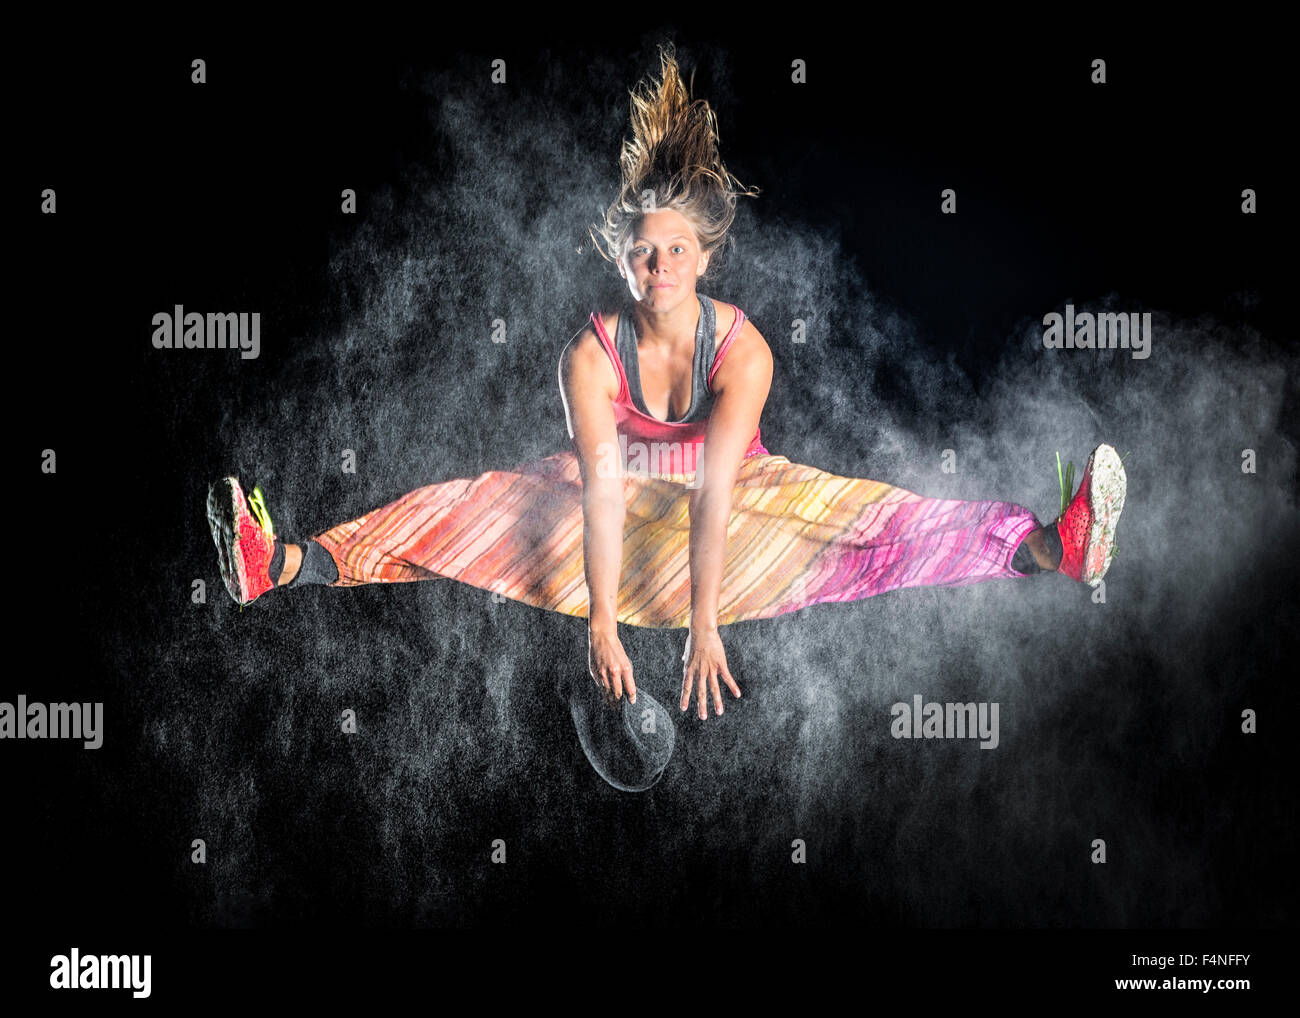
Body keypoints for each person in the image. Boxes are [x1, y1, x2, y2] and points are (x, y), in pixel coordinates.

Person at [207, 45, 1126, 724]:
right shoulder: (589, 355)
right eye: (642, 251)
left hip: (729, 529)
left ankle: (1052, 547)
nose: (659, 267)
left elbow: (719, 491)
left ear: (704, 254)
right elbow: (602, 491)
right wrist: (603, 624)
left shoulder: (746, 351)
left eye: (676, 251)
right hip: (610, 530)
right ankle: (278, 564)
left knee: (876, 521)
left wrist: (702, 626)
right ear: (620, 255)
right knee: (471, 510)